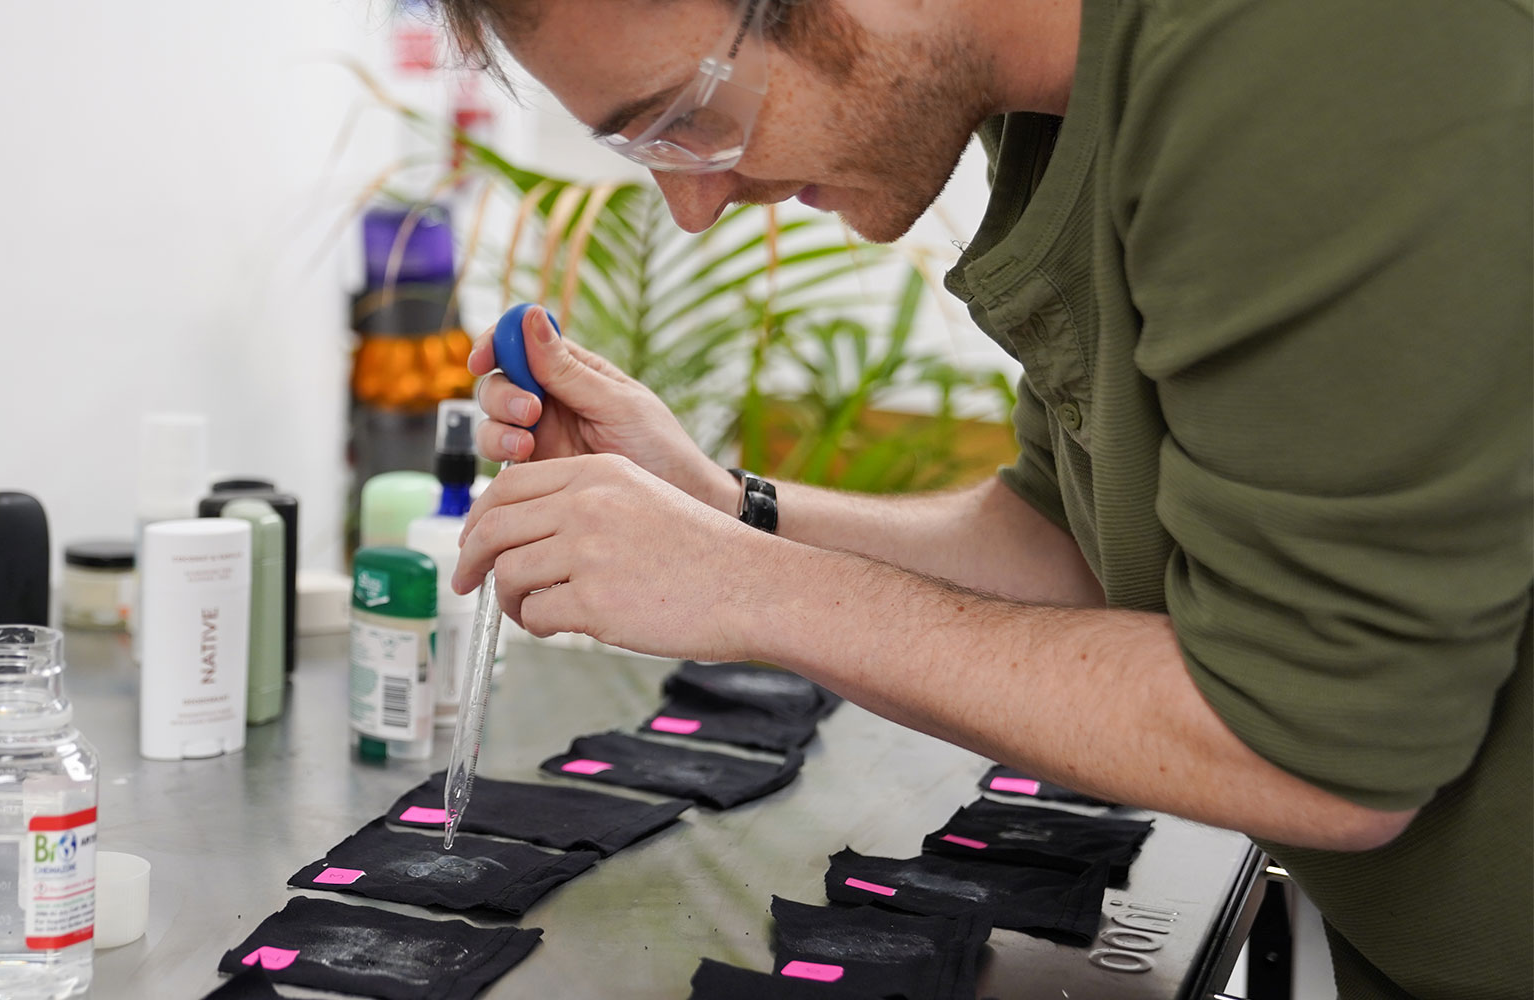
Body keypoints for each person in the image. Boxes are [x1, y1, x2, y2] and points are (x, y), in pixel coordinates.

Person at [432, 0, 1532, 996]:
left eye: (684, 115)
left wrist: (744, 587)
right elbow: (1067, 549)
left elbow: (1318, 744)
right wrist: (725, 509)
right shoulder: (1042, 97)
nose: (692, 203)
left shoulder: (1314, 47)